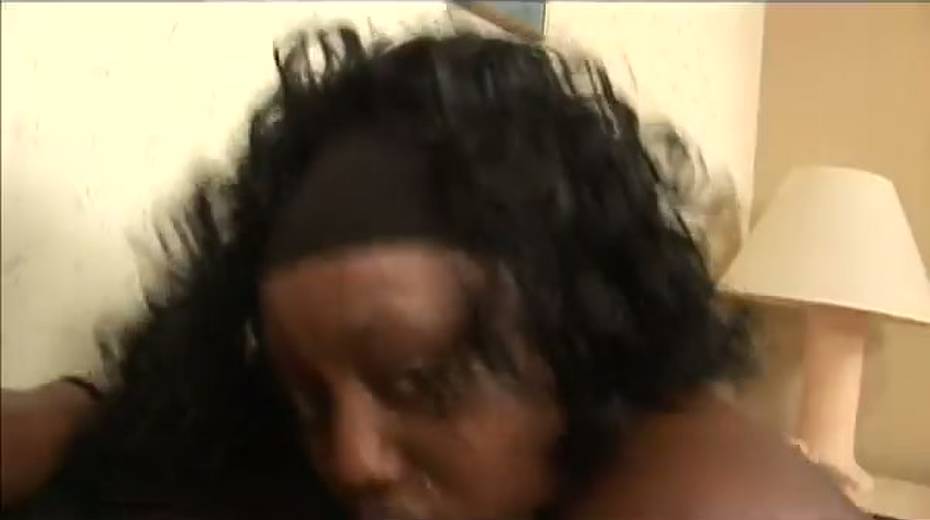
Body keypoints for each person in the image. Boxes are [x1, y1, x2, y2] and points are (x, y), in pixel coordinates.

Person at [2, 26, 866, 520]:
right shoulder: (232, 454)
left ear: (578, 334)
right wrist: (70, 417)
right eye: (307, 400)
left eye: (417, 379)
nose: (352, 460)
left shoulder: (692, 483)